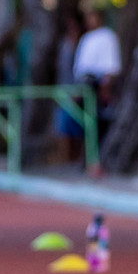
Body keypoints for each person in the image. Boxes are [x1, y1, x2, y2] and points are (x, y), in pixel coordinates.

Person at [73, 7, 121, 157]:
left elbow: (111, 67)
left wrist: (105, 89)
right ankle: (87, 159)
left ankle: (97, 160)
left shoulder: (107, 36)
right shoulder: (86, 38)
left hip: (99, 85)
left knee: (99, 125)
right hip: (84, 85)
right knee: (85, 125)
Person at [55, 12, 87, 163]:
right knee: (64, 128)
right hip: (65, 92)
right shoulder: (65, 45)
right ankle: (65, 159)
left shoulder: (82, 45)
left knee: (80, 128)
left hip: (77, 92)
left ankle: (78, 159)